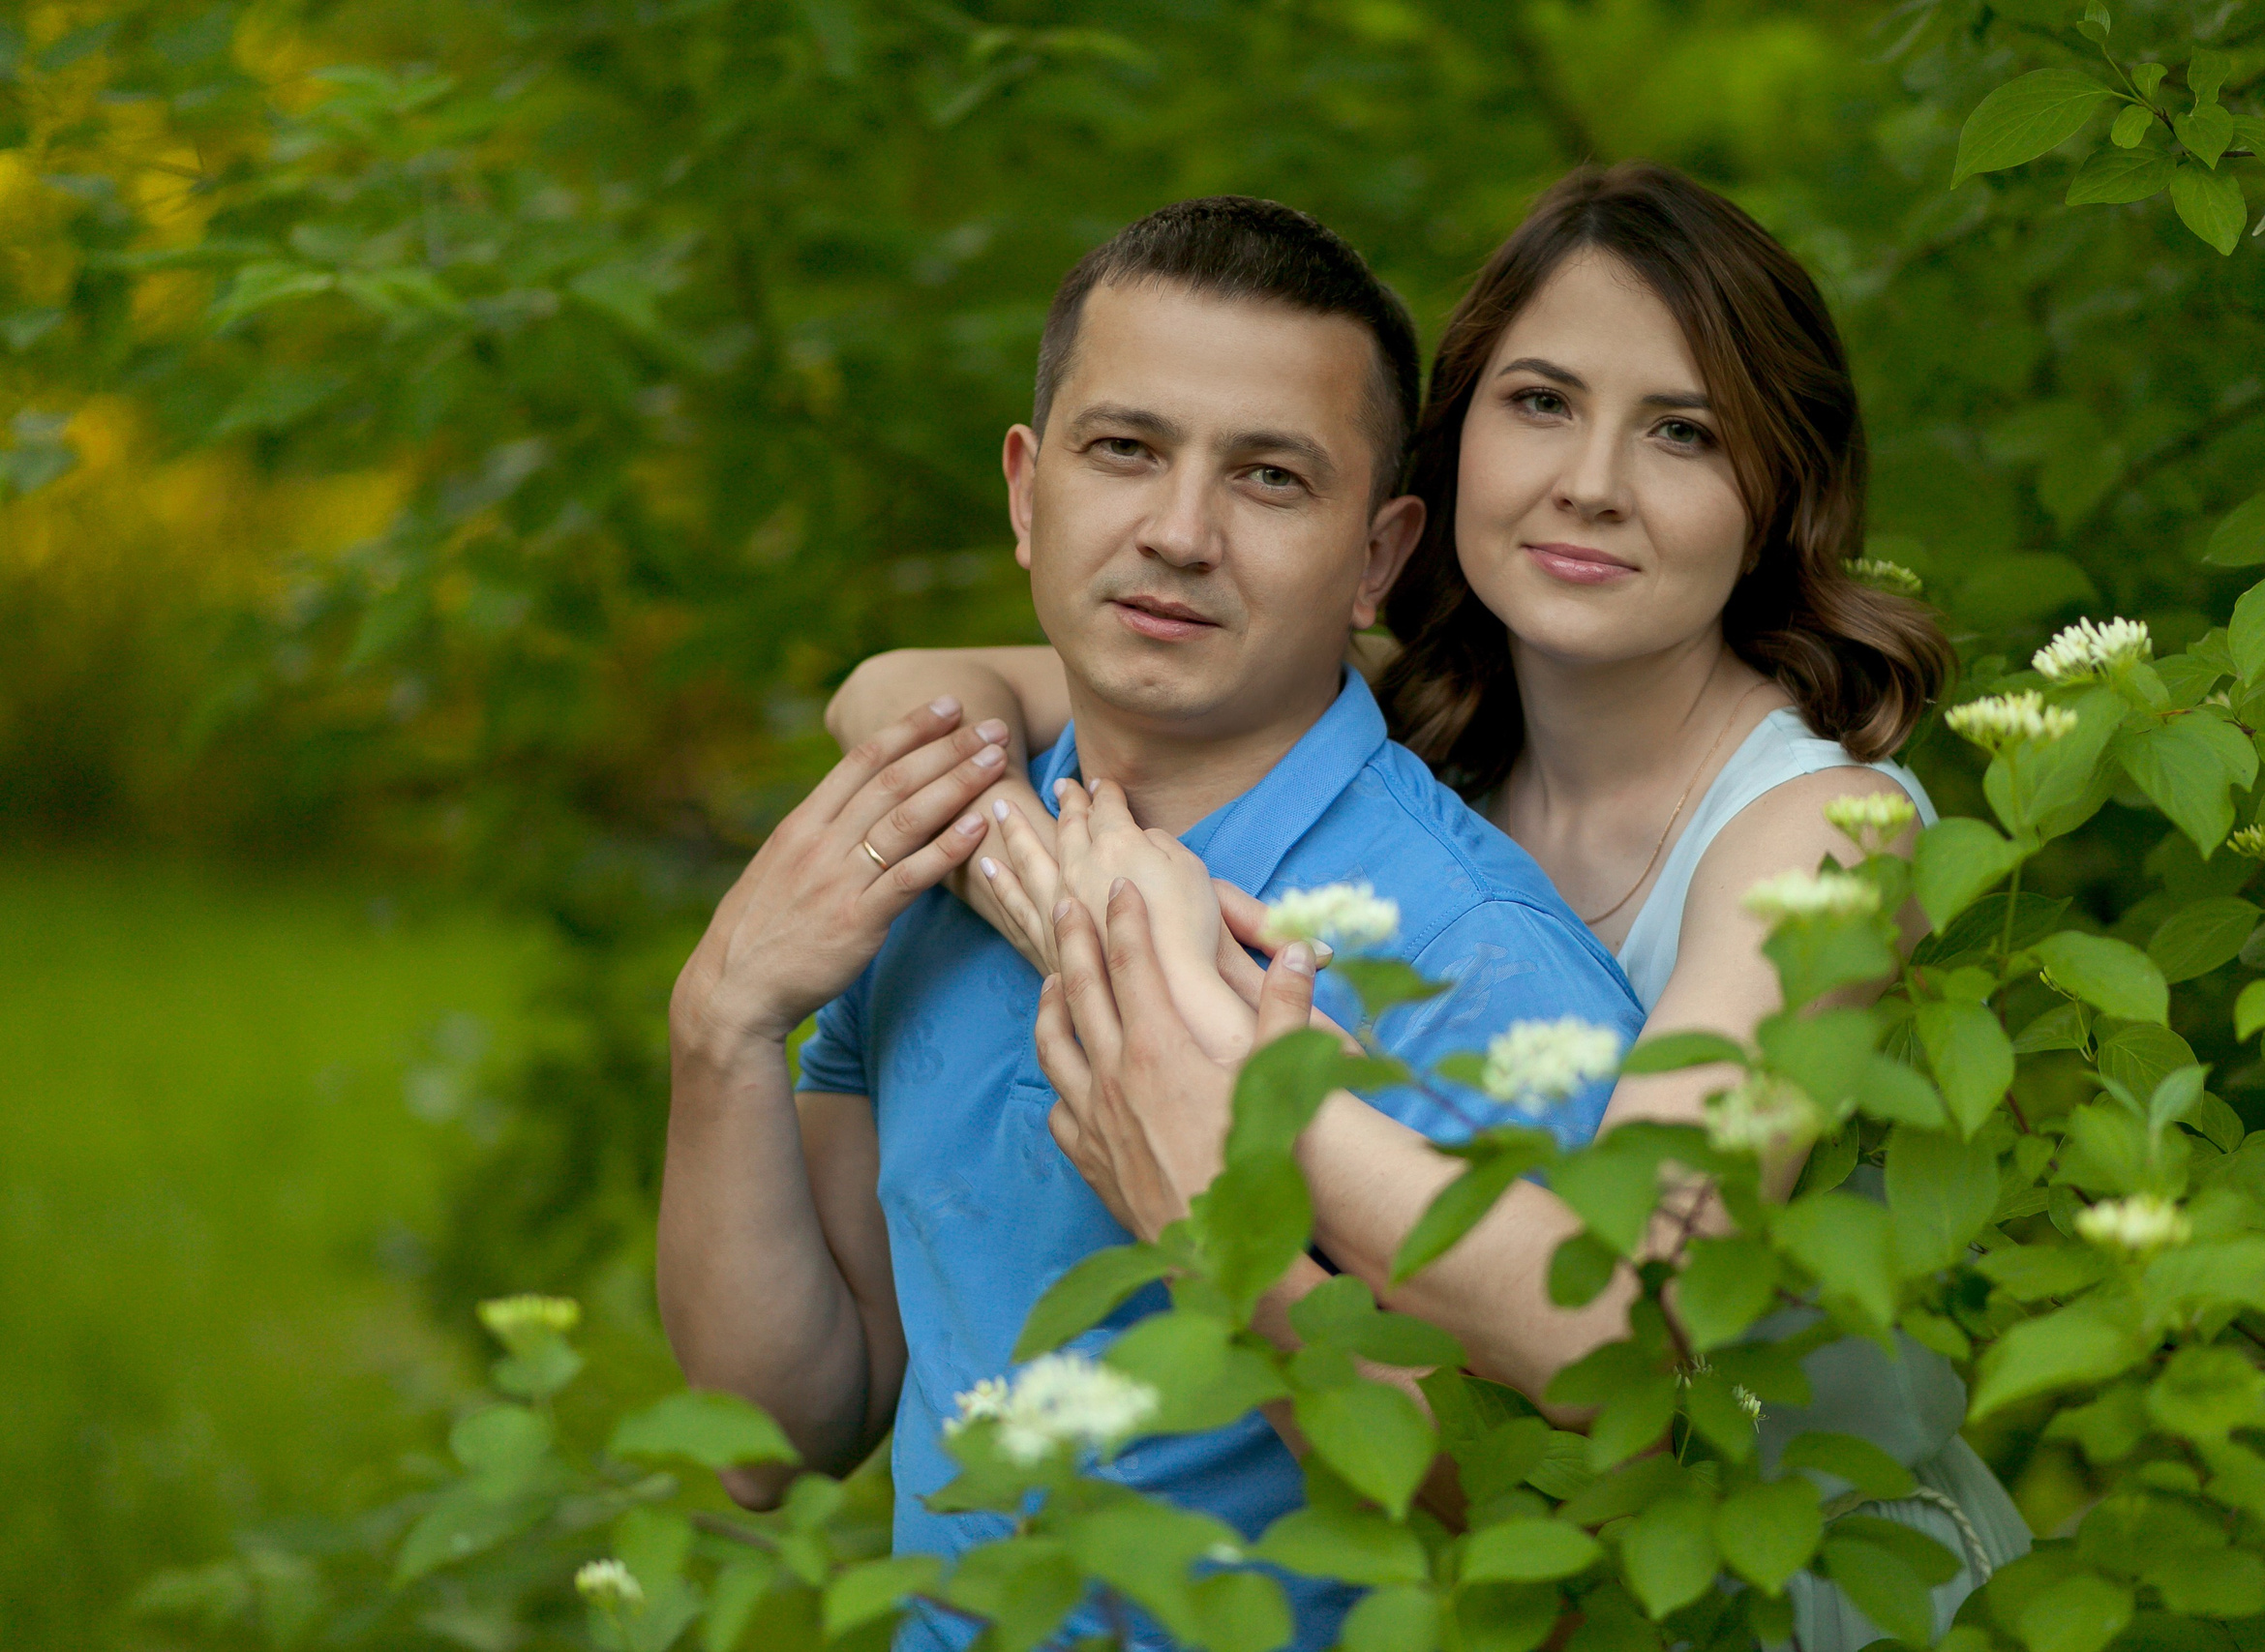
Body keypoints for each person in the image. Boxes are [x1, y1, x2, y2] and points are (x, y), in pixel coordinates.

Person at [828, 163, 2033, 1650]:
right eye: (1541, 403)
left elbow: (1622, 1324)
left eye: (1684, 431)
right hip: (1536, 1565)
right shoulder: (1436, 729)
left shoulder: (1823, 834)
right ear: (1447, 461)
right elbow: (904, 690)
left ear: (1781, 488)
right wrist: (1071, 906)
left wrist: (1225, 1081)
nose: (1591, 481)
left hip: (1803, 1582)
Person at [661, 195, 1644, 1652]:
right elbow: (778, 1436)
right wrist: (722, 1028)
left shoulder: (1469, 960)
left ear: (1378, 559)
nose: (1180, 534)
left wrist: (1221, 1227)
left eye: (1270, 478)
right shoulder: (943, 854)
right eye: (1125, 449)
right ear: (1026, 491)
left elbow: (1574, 1566)